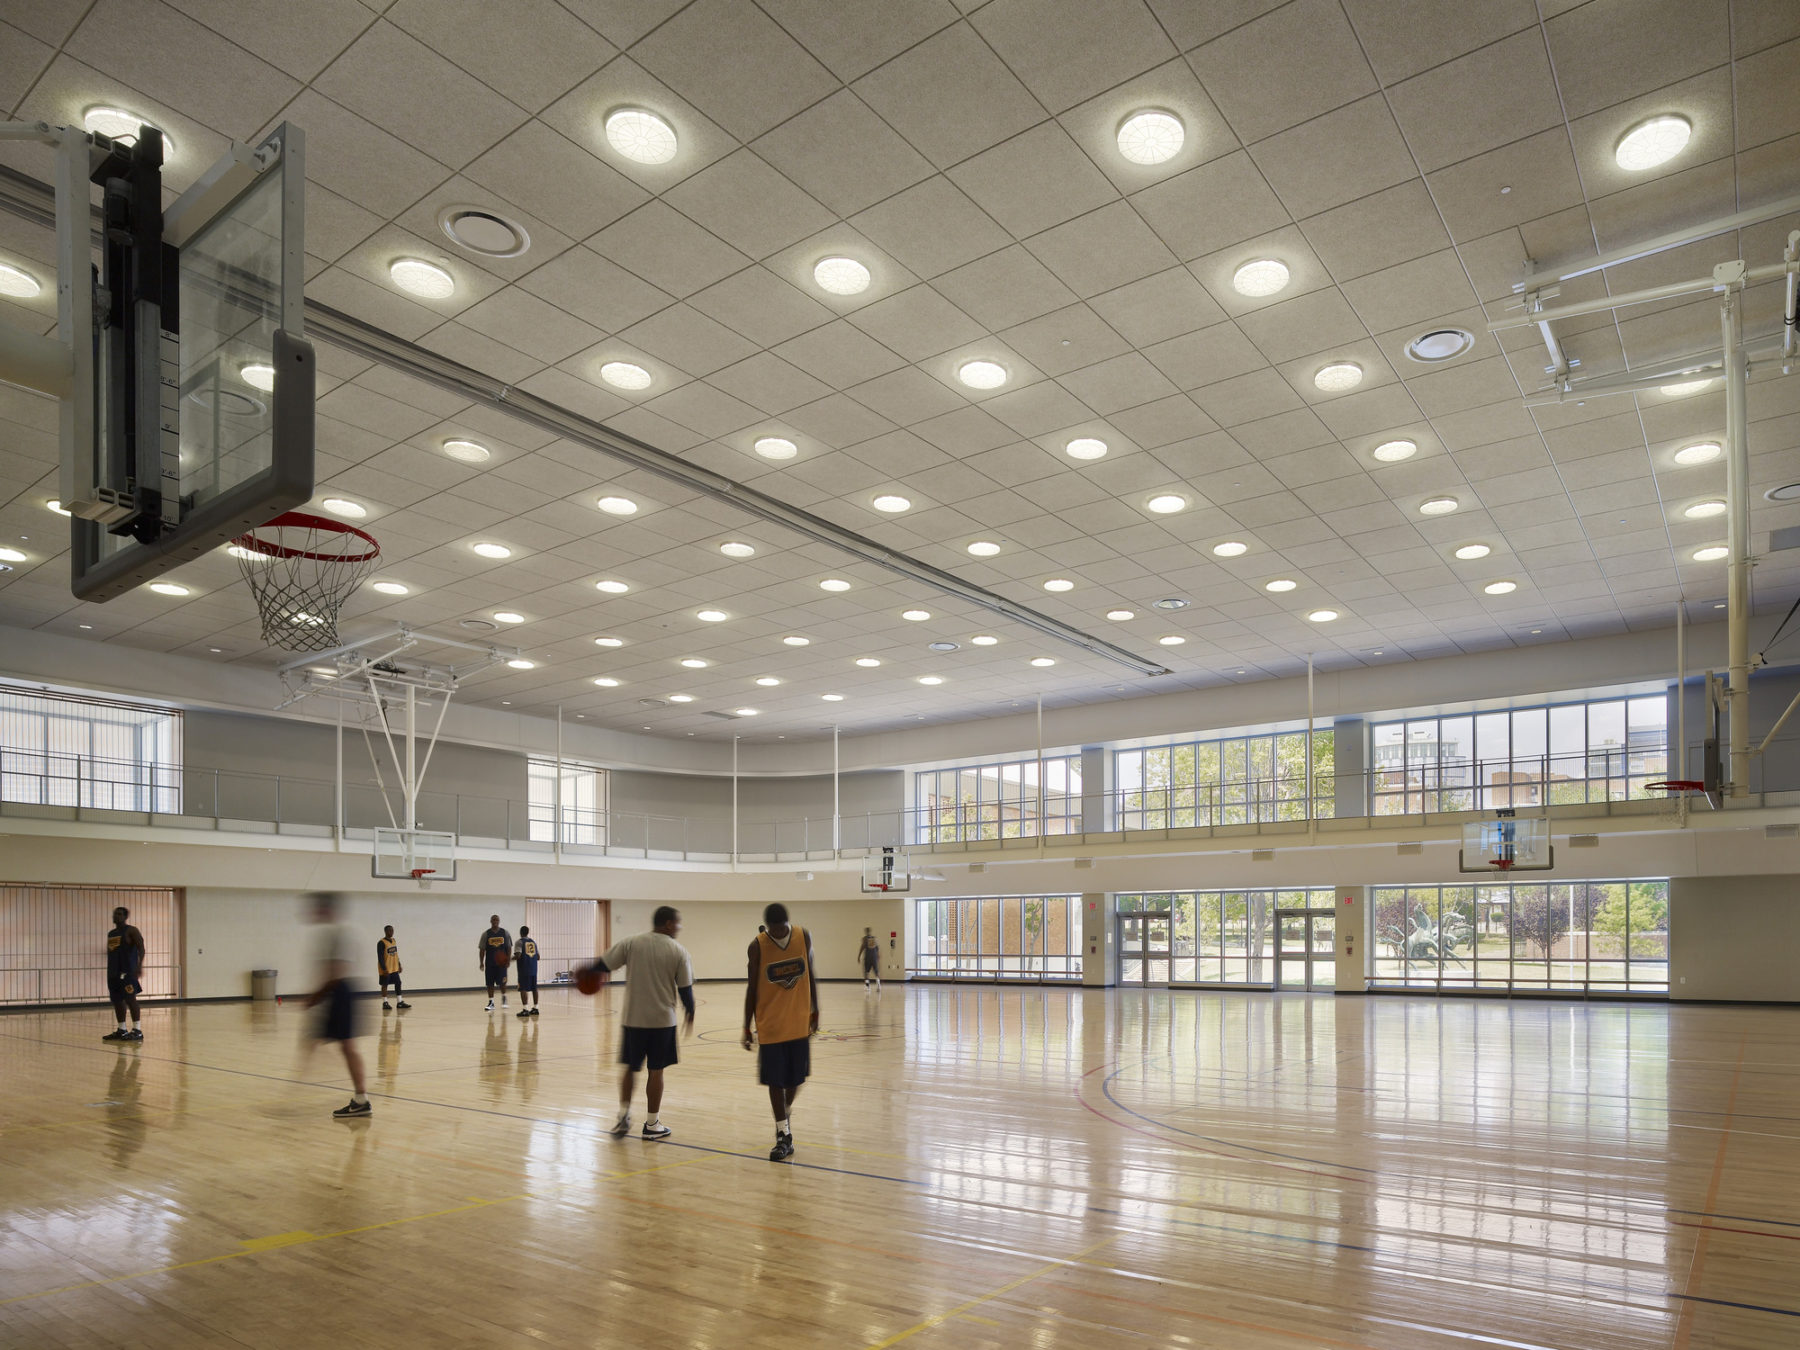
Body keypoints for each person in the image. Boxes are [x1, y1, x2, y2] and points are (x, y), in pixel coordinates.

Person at [579, 907, 694, 1140]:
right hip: (663, 1022)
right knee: (656, 1071)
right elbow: (685, 990)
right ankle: (652, 1124)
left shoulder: (632, 943)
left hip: (634, 1020)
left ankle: (623, 1115)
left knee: (630, 1068)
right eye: (678, 923)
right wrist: (690, 1012)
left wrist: (584, 971)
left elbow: (603, 964)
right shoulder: (679, 951)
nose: (680, 927)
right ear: (669, 924)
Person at [742, 902, 817, 1161]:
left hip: (798, 1023)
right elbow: (751, 989)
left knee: (795, 1080)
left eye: (781, 929)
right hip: (770, 1024)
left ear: (787, 923)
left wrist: (815, 1008)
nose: (777, 933)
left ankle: (784, 1112)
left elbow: (810, 973)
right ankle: (783, 1133)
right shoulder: (757, 946)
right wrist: (745, 1025)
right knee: (775, 1081)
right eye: (773, 930)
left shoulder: (802, 935)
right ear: (768, 928)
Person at [305, 892, 371, 1119]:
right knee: (346, 1046)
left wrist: (316, 996)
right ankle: (360, 1099)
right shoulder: (335, 932)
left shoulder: (340, 934)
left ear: (327, 909)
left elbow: (337, 970)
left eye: (318, 908)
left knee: (347, 1047)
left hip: (342, 990)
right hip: (340, 991)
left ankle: (361, 1100)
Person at [102, 906, 145, 1042]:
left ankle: (137, 1030)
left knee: (130, 999)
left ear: (126, 917)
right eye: (115, 914)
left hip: (127, 972)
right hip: (113, 973)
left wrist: (139, 966)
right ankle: (122, 1030)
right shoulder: (111, 933)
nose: (116, 916)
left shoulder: (131, 930)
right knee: (117, 1001)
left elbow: (141, 948)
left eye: (120, 914)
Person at [478, 914, 512, 1011]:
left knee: (502, 983)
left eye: (497, 920)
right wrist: (481, 962)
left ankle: (504, 998)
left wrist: (508, 960)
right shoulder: (486, 934)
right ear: (491, 921)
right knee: (490, 983)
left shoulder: (505, 933)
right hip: (490, 963)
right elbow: (482, 950)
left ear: (499, 921)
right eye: (493, 920)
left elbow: (509, 947)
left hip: (501, 963)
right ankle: (491, 1002)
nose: (495, 921)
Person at [377, 925, 410, 1011]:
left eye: (392, 930)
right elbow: (380, 957)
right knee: (385, 985)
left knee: (398, 983)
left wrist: (399, 964)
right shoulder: (381, 942)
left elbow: (395, 954)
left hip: (394, 968)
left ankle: (399, 1002)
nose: (392, 932)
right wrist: (384, 968)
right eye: (390, 931)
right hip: (386, 969)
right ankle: (385, 1003)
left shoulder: (393, 940)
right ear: (386, 931)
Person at [514, 925, 540, 1017]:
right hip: (533, 969)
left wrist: (509, 959)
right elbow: (538, 957)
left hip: (524, 968)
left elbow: (518, 956)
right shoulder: (533, 942)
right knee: (534, 988)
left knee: (523, 988)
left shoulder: (519, 942)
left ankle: (525, 1009)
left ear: (520, 932)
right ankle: (536, 1008)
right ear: (527, 932)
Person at [856, 926, 881, 992]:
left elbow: (862, 947)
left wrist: (859, 956)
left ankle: (867, 987)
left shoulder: (864, 939)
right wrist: (878, 956)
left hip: (868, 957)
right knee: (876, 972)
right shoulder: (874, 938)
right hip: (874, 957)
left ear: (865, 932)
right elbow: (877, 948)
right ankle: (878, 984)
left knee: (866, 972)